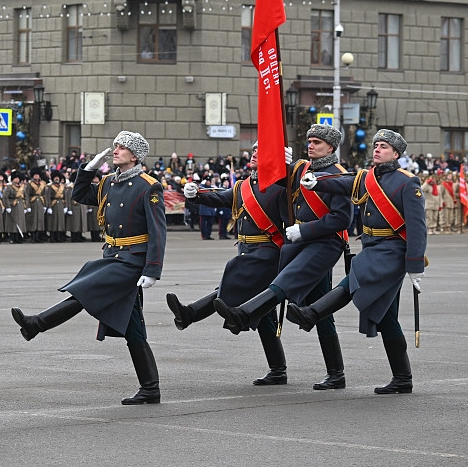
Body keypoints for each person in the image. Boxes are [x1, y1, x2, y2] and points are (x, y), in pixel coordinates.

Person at [11, 131, 166, 405]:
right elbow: (81, 194)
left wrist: (152, 269)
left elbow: (157, 232)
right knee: (133, 328)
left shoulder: (148, 186)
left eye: (122, 147)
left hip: (132, 260)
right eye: (115, 145)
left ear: (135, 156)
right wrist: (88, 170)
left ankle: (37, 323)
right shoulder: (108, 182)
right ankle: (150, 388)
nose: (115, 150)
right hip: (112, 255)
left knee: (85, 289)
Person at [289, 130, 427, 394]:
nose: (377, 149)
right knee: (387, 317)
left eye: (383, 146)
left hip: (392, 250)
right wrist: (316, 183)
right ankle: (402, 378)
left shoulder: (407, 182)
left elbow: (418, 228)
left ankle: (312, 313)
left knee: (355, 278)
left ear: (396, 154)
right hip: (373, 246)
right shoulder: (367, 177)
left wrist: (415, 266)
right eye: (375, 145)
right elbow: (344, 183)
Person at [215, 125, 352, 391]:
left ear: (331, 148)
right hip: (299, 243)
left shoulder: (339, 176)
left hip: (322, 244)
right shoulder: (301, 169)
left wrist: (304, 229)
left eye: (317, 143)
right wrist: (278, 163)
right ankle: (334, 373)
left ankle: (244, 314)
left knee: (284, 283)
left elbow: (341, 219)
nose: (311, 145)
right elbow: (275, 185)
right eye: (310, 141)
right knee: (320, 310)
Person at [168, 143, 290, 385]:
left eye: (260, 151)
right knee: (264, 313)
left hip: (268, 252)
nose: (254, 154)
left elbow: (292, 221)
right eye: (253, 151)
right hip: (248, 249)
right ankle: (278, 369)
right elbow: (221, 197)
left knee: (233, 277)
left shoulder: (281, 188)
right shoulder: (244, 186)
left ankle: (191, 314)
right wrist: (196, 193)